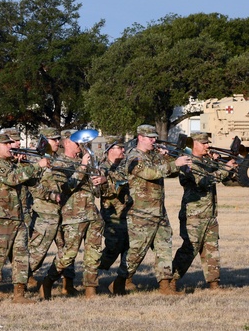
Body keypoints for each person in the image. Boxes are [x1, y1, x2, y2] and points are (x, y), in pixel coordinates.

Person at [111, 124, 190, 296]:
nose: (154, 140)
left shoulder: (153, 155)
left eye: (155, 137)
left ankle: (165, 285)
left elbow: (171, 172)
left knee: (164, 248)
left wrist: (169, 158)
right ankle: (119, 281)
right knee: (136, 251)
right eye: (150, 137)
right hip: (141, 212)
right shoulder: (133, 157)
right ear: (140, 138)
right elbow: (150, 173)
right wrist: (174, 164)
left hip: (159, 211)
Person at [0, 133, 47, 304]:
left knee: (21, 255)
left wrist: (28, 165)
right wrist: (37, 166)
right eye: (6, 144)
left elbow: (26, 180)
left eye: (10, 143)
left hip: (17, 214)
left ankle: (19, 294)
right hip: (2, 216)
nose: (10, 146)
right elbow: (12, 179)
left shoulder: (9, 164)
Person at [39, 130, 107, 300]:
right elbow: (66, 187)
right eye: (77, 143)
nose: (81, 146)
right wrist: (83, 167)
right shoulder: (59, 163)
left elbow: (97, 192)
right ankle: (47, 282)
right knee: (68, 253)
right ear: (67, 143)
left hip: (92, 213)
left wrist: (100, 180)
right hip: (73, 215)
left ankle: (91, 290)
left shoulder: (85, 161)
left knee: (94, 253)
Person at [172, 131, 236, 290]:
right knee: (190, 248)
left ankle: (214, 283)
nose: (208, 146)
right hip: (194, 214)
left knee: (211, 248)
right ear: (193, 144)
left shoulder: (205, 160)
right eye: (203, 143)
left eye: (207, 142)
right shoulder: (189, 162)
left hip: (210, 213)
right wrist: (225, 169)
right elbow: (203, 181)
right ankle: (170, 281)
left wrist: (222, 165)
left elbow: (224, 178)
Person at [27, 127, 74, 294]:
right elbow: (33, 187)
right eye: (53, 140)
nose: (57, 142)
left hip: (61, 213)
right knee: (36, 255)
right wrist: (51, 195)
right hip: (44, 214)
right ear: (44, 141)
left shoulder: (58, 160)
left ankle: (62, 284)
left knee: (67, 250)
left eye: (58, 139)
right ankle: (19, 284)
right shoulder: (35, 161)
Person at [97, 135, 133, 285]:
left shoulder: (124, 165)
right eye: (119, 148)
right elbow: (104, 192)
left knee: (129, 245)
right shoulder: (102, 168)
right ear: (110, 150)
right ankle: (96, 269)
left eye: (123, 147)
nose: (123, 150)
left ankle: (126, 278)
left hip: (128, 211)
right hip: (112, 213)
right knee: (113, 246)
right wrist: (109, 181)